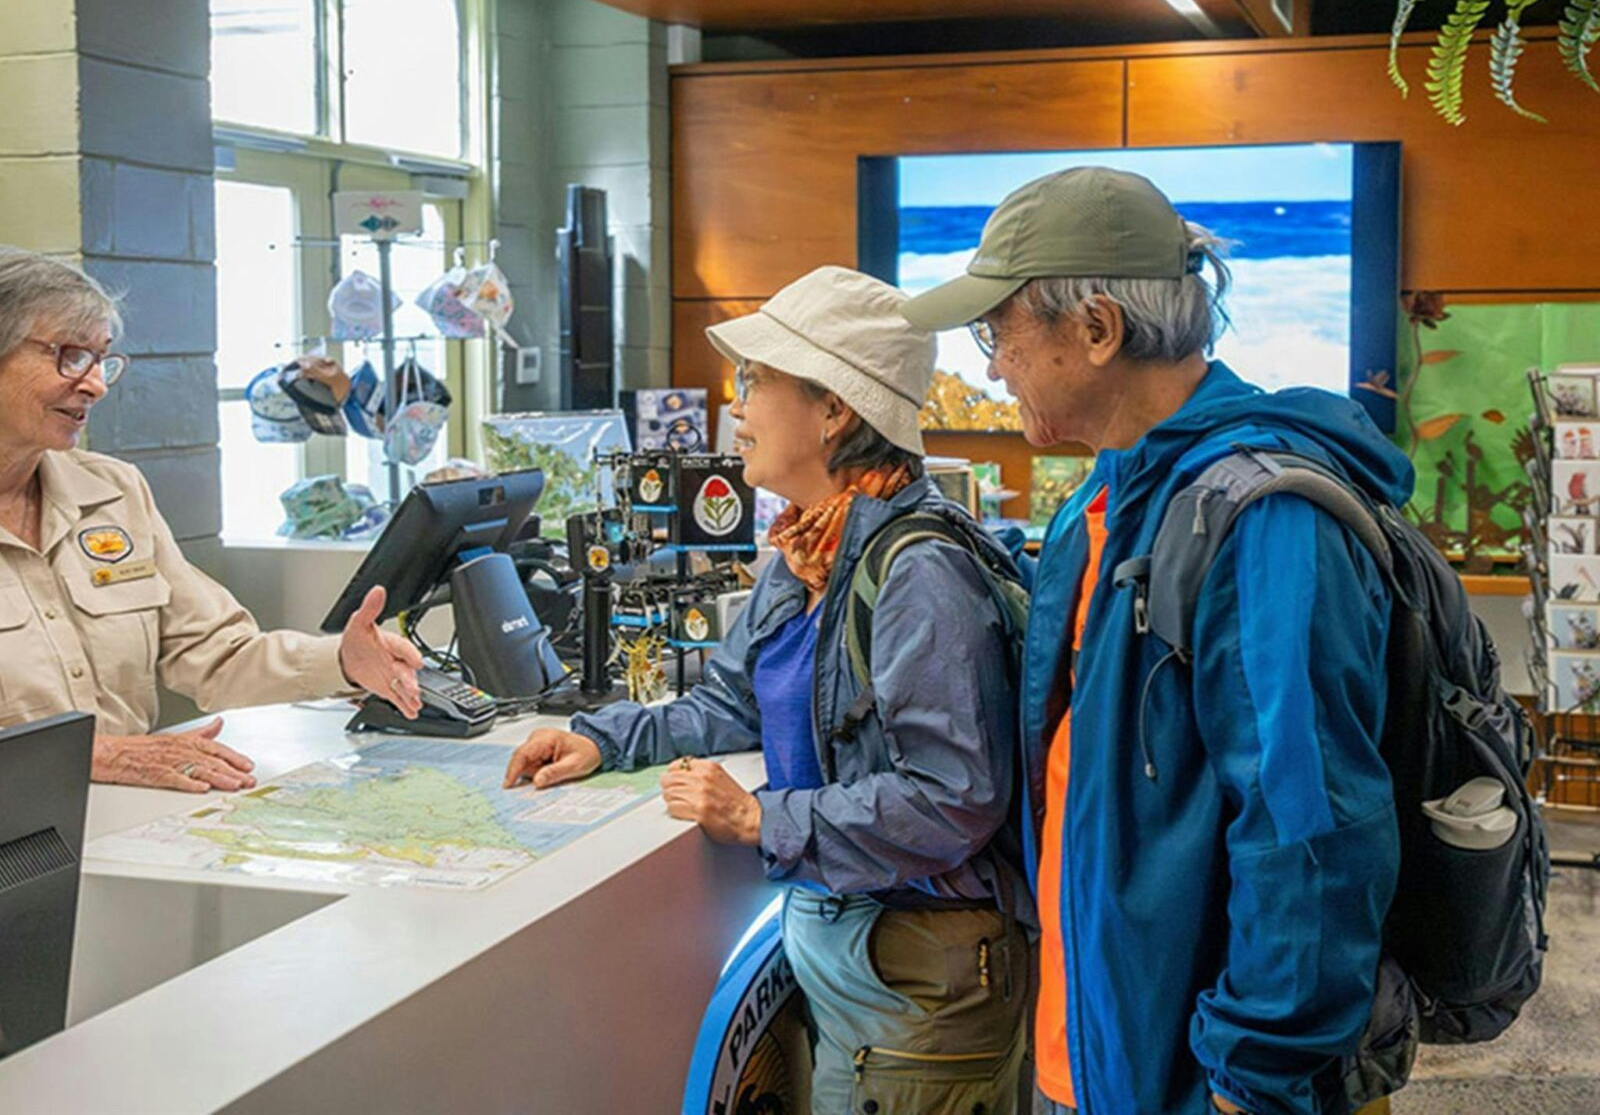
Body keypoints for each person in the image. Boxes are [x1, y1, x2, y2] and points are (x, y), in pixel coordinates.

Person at [902, 168, 1406, 1115]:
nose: (988, 367)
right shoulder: (1102, 505)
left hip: (1205, 1079)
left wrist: (1251, 1079)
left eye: (997, 332)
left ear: (1097, 330)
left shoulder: (1261, 520)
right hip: (1097, 1050)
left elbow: (1310, 834)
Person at [504, 266, 1034, 1112]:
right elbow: (731, 704)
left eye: (756, 383)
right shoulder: (804, 551)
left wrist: (762, 819)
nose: (736, 409)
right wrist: (604, 738)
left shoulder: (918, 573)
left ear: (836, 409)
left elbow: (954, 800)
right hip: (857, 963)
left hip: (922, 983)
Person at [0, 249, 423, 792]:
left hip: (116, 833)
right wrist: (91, 757)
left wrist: (342, 660)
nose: (96, 384)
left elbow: (216, 655)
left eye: (100, 359)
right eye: (69, 356)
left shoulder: (112, 491)